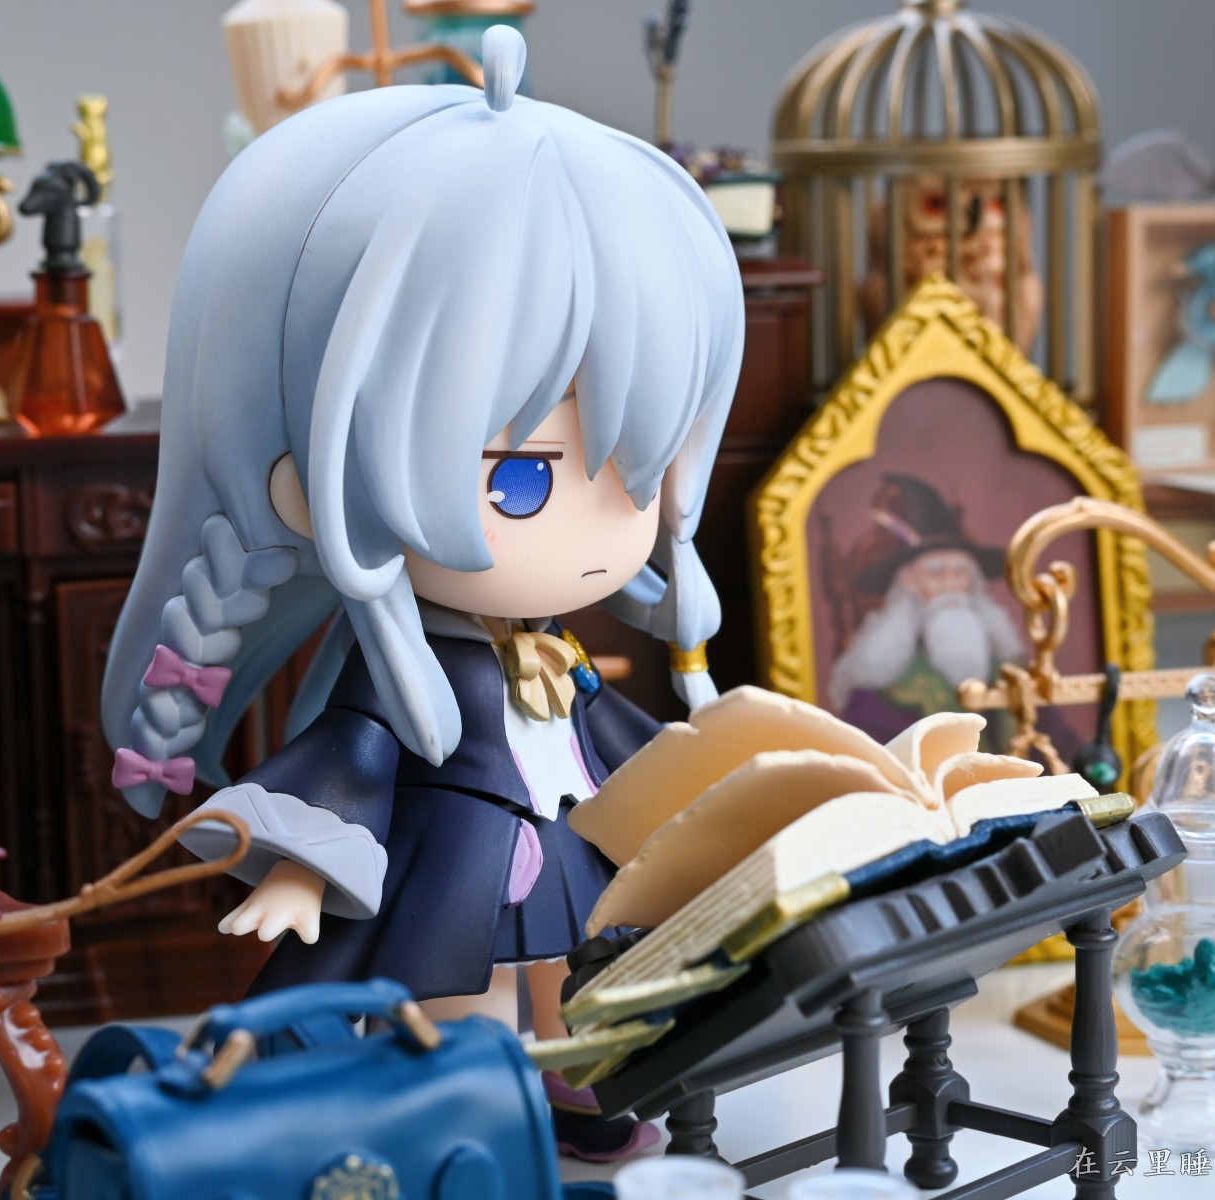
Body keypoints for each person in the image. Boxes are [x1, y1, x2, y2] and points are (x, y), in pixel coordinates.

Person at [99, 28, 743, 1160]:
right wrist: (301, 873)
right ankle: (468, 1123)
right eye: (523, 478)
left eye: (636, 476)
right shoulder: (410, 674)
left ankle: (580, 1101)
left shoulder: (559, 652)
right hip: (458, 874)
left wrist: (715, 790)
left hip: (571, 858)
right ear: (308, 481)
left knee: (580, 989)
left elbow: (617, 742)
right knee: (463, 1008)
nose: (597, 531)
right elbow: (349, 759)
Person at [826, 474, 1026, 745]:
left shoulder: (1009, 673)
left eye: (960, 572)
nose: (950, 584)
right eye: (935, 573)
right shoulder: (879, 695)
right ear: (909, 586)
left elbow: (1059, 744)